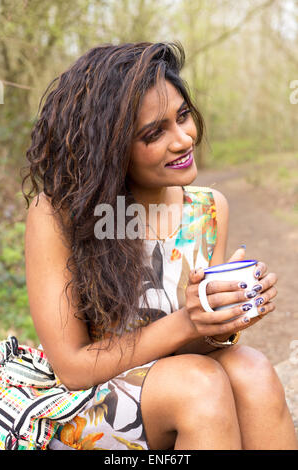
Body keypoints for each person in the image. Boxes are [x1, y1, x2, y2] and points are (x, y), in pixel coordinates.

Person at [22, 42, 297, 450]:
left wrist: (221, 320)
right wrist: (186, 321)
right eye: (155, 133)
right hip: (86, 400)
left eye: (183, 116)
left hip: (176, 381)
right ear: (110, 150)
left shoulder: (208, 209)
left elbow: (192, 348)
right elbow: (74, 368)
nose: (184, 139)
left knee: (251, 369)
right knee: (199, 386)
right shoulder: (58, 216)